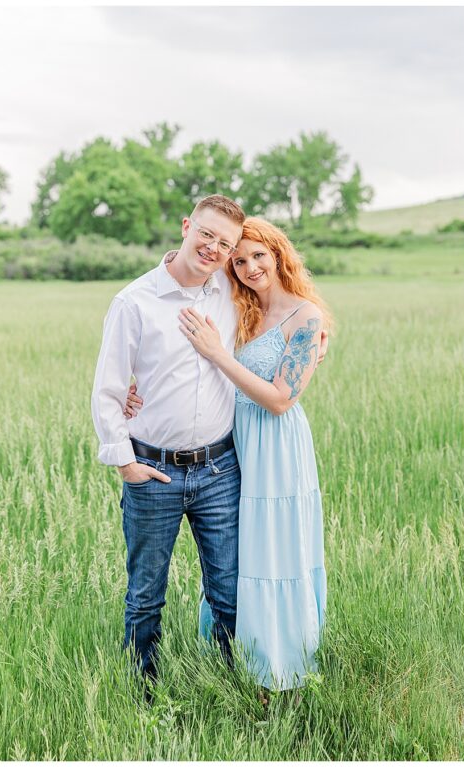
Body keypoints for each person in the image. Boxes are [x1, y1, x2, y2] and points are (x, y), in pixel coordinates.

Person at [133, 217, 330, 690]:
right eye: (238, 259)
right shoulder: (233, 302)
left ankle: (278, 664)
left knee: (275, 550)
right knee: (235, 561)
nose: (248, 267)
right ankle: (229, 657)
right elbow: (174, 306)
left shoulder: (306, 317)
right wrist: (135, 387)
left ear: (278, 254)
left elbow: (281, 399)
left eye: (257, 255)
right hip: (230, 442)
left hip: (275, 446)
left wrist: (219, 354)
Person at [91, 194, 246, 685]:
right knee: (145, 593)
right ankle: (142, 691)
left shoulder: (229, 290)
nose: (213, 248)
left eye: (225, 243)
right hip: (153, 470)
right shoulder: (134, 301)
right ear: (186, 227)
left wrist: (315, 336)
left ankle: (227, 683)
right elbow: (109, 389)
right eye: (206, 234)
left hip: (220, 468)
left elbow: (284, 300)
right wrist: (126, 465)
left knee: (228, 590)